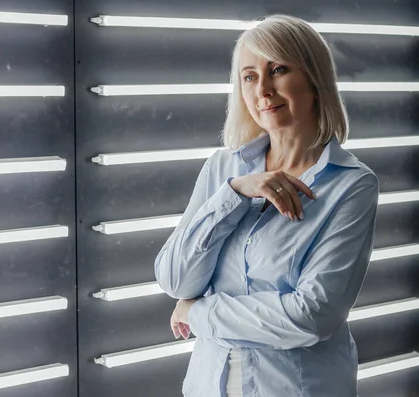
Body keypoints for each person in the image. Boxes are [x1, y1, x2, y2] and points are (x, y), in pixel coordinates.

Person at [154, 14, 379, 397]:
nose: (263, 89)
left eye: (277, 70)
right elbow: (176, 279)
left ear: (313, 78)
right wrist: (236, 193)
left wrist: (198, 313)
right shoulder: (224, 170)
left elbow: (312, 316)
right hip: (209, 386)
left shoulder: (351, 185)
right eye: (249, 76)